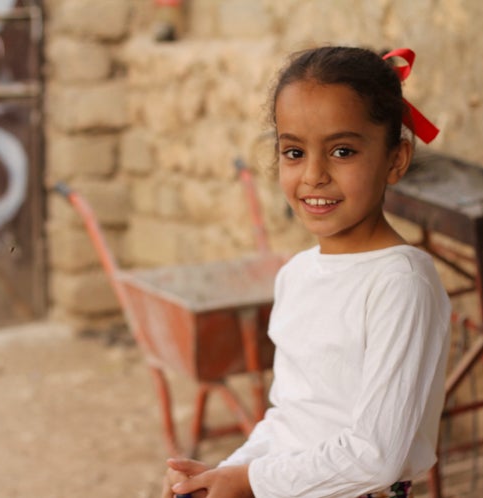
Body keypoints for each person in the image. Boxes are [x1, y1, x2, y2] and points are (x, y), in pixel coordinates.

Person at [161, 45, 451, 498]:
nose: (314, 174)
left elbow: (377, 456)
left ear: (396, 159)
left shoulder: (401, 284)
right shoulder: (296, 275)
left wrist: (251, 482)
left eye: (342, 150)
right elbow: (289, 419)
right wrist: (222, 474)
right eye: (294, 152)